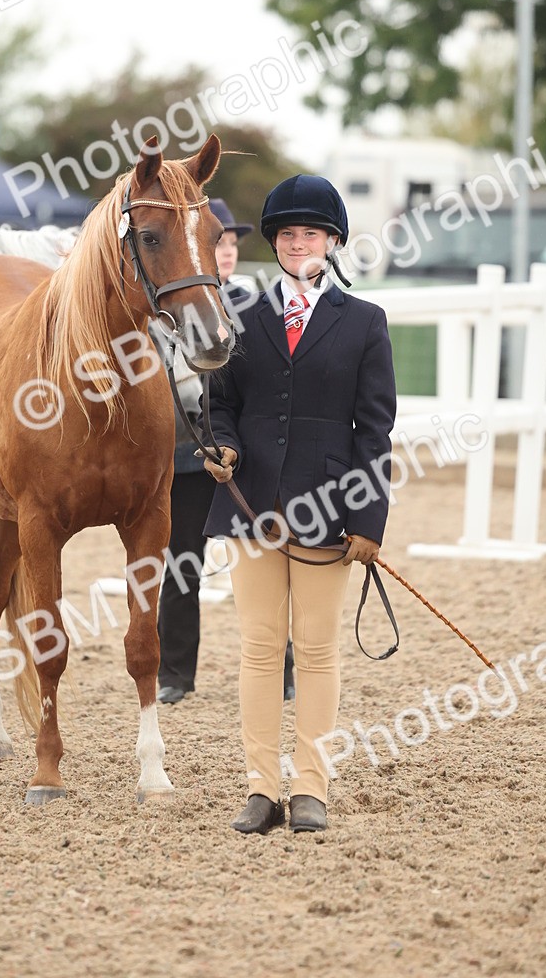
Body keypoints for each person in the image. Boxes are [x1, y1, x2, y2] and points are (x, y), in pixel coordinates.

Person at [200, 174, 396, 834]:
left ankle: (311, 785)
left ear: (332, 241)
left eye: (309, 232)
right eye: (286, 233)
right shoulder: (242, 314)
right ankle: (261, 787)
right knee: (258, 649)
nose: (296, 242)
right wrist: (222, 445)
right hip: (252, 503)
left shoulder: (365, 323)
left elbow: (374, 429)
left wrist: (369, 520)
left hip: (328, 509)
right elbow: (220, 403)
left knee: (315, 652)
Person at [156, 199, 259, 705]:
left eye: (231, 244)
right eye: (216, 245)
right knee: (181, 566)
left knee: (264, 561)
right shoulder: (164, 314)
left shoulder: (253, 307)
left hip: (241, 453)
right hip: (184, 453)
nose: (226, 254)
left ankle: (280, 668)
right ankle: (175, 672)